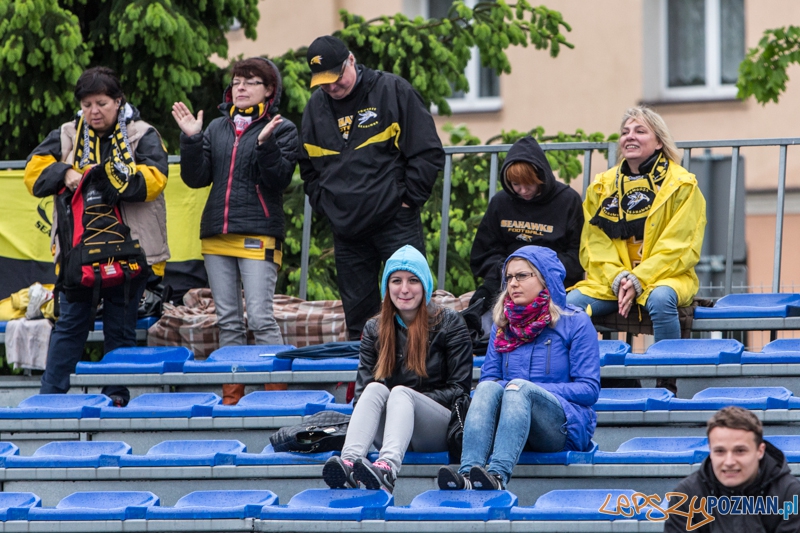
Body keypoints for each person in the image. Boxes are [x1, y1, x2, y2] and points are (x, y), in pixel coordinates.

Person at [24, 66, 169, 405]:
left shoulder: (142, 133)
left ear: (119, 102)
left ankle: (115, 399)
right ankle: (50, 400)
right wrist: (66, 171)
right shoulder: (66, 135)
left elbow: (155, 180)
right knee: (69, 326)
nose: (94, 111)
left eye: (102, 103)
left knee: (120, 330)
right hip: (79, 255)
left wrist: (108, 177)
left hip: (130, 253)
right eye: (87, 104)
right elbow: (33, 175)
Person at [299, 35, 445, 340]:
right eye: (323, 82)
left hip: (395, 221)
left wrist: (407, 200)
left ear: (351, 60)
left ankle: (418, 377)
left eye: (336, 78)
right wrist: (327, 206)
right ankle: (366, 381)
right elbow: (309, 168)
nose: (331, 87)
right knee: (359, 318)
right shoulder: (315, 107)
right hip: (347, 230)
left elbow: (427, 150)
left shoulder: (392, 90)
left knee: (411, 307)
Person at [172, 58, 299, 403]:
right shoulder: (216, 127)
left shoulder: (281, 128)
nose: (240, 88)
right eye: (237, 82)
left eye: (251, 82)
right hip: (216, 235)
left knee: (260, 318)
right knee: (228, 321)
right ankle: (232, 396)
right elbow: (195, 178)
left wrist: (266, 145)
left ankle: (275, 393)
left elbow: (279, 180)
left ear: (269, 90)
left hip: (259, 233)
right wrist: (192, 140)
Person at [438, 245, 599, 490]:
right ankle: (469, 475)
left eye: (522, 276)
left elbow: (588, 390)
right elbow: (490, 380)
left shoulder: (574, 322)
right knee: (486, 389)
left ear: (544, 278)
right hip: (510, 423)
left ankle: (497, 477)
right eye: (509, 277)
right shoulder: (502, 324)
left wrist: (528, 391)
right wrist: (513, 390)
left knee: (518, 388)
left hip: (563, 427)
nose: (513, 283)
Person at [567, 107, 706, 390]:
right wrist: (620, 278)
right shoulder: (602, 187)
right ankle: (587, 382)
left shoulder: (682, 185)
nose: (630, 137)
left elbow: (680, 247)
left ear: (658, 142)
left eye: (640, 131)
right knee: (572, 305)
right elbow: (593, 245)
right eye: (625, 132)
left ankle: (667, 384)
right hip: (612, 282)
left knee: (661, 300)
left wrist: (640, 278)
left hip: (664, 277)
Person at [321, 245, 473, 493]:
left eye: (413, 280)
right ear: (386, 286)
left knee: (400, 393)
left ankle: (387, 470)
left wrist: (407, 400)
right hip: (390, 429)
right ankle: (348, 464)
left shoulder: (449, 323)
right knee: (373, 390)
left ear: (424, 284)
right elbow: (361, 398)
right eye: (396, 280)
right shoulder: (374, 328)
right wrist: (395, 402)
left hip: (435, 428)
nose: (404, 289)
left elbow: (460, 391)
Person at [470, 136, 583, 314]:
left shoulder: (568, 200)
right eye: (516, 185)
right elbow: (483, 253)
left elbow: (578, 256)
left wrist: (538, 270)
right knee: (479, 306)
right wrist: (510, 270)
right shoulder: (500, 202)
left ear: (541, 177)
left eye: (529, 184)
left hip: (552, 283)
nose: (523, 191)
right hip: (506, 281)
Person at [664, 406, 800, 532]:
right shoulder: (687, 495)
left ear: (760, 451)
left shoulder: (790, 494)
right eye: (720, 451)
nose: (729, 462)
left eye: (740, 451)